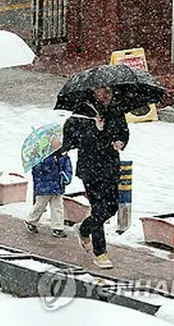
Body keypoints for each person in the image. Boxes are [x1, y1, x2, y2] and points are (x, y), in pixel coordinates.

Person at [56, 86, 129, 269]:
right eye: (101, 91)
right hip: (91, 169)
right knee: (98, 208)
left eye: (109, 91)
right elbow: (74, 141)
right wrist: (96, 130)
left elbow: (124, 132)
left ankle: (84, 228)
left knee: (111, 207)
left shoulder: (116, 110)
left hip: (111, 167)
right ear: (94, 92)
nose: (106, 95)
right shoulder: (83, 113)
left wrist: (121, 141)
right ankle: (100, 252)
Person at [24, 152, 72, 238]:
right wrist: (50, 161)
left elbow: (68, 169)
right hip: (44, 186)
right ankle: (31, 221)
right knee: (40, 205)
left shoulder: (64, 157)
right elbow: (38, 169)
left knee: (58, 207)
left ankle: (58, 227)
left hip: (58, 186)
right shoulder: (41, 156)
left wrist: (66, 177)